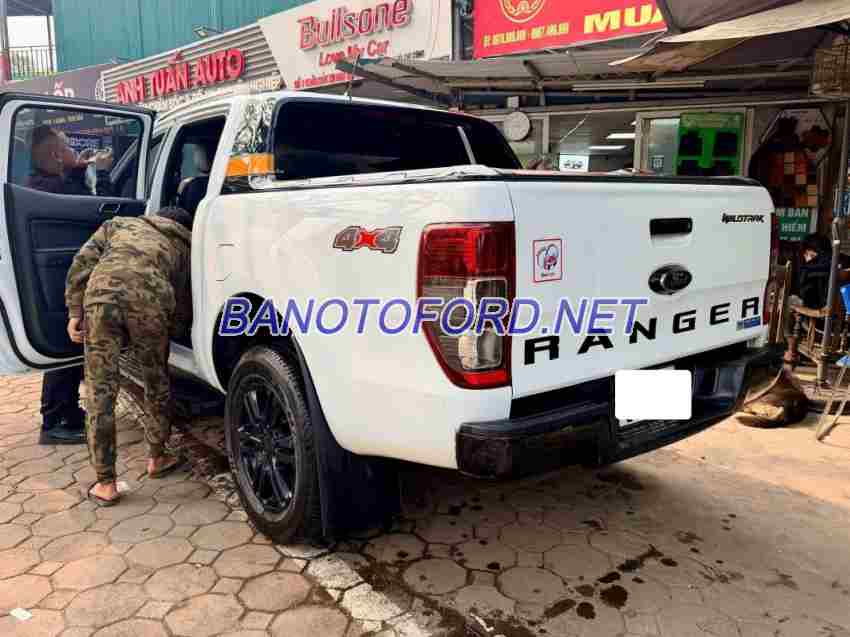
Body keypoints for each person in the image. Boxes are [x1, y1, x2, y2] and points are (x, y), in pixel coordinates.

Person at [65, 207, 193, 506]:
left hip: (101, 298)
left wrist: (74, 312)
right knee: (156, 382)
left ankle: (105, 483)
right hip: (150, 303)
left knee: (100, 390)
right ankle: (157, 458)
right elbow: (184, 297)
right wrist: (174, 329)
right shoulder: (184, 245)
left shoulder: (118, 224)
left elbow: (82, 263)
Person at [27, 125, 114, 445]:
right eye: (67, 147)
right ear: (55, 155)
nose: (73, 151)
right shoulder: (51, 189)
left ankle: (67, 409)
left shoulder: (45, 184)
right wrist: (100, 173)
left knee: (72, 345)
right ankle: (54, 420)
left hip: (63, 276)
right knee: (67, 345)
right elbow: (97, 211)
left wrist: (77, 167)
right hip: (65, 280)